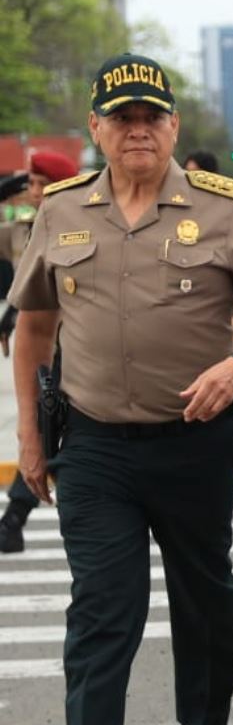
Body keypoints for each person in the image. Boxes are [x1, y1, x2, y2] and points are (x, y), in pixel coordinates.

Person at [11, 54, 233, 725]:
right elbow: (33, 330)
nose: (138, 130)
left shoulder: (223, 208)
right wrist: (31, 438)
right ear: (97, 129)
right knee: (103, 609)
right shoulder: (62, 212)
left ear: (174, 127)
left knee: (204, 596)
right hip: (96, 443)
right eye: (121, 118)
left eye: (153, 117)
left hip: (197, 443)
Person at [0, 150, 81, 554]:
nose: (31, 192)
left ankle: (15, 516)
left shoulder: (83, 225)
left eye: (38, 183)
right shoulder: (24, 230)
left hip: (72, 349)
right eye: (28, 184)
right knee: (42, 432)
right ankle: (14, 519)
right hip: (39, 349)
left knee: (49, 433)